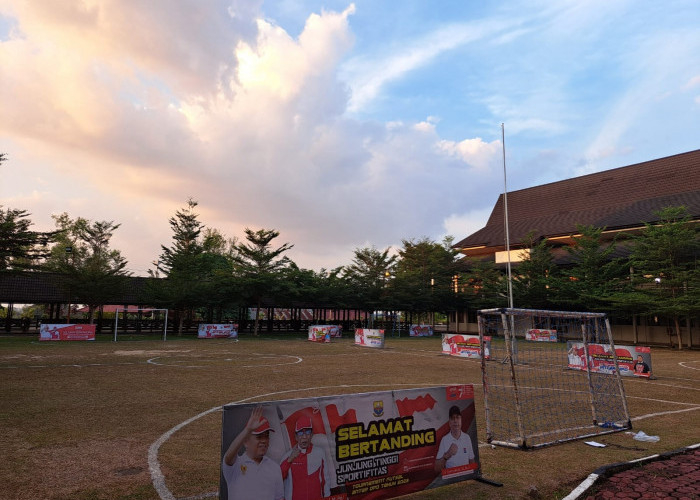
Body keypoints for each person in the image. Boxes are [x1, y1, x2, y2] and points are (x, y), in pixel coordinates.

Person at [222, 406, 284, 500]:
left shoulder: (275, 467)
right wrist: (248, 430)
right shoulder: (235, 465)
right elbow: (228, 457)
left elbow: (279, 498)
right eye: (259, 437)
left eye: (266, 436)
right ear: (246, 441)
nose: (264, 441)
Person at [281, 415, 331, 500]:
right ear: (296, 437)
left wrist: (327, 497)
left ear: (312, 434)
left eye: (307, 432)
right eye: (300, 433)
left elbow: (325, 479)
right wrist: (289, 460)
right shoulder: (287, 456)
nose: (304, 437)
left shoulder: (320, 452)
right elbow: (278, 479)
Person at [434, 405, 475, 472]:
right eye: (453, 418)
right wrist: (447, 455)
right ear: (449, 422)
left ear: (461, 420)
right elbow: (437, 468)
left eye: (457, 417)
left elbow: (471, 460)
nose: (455, 421)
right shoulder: (444, 440)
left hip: (465, 477)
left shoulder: (467, 438)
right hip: (451, 479)